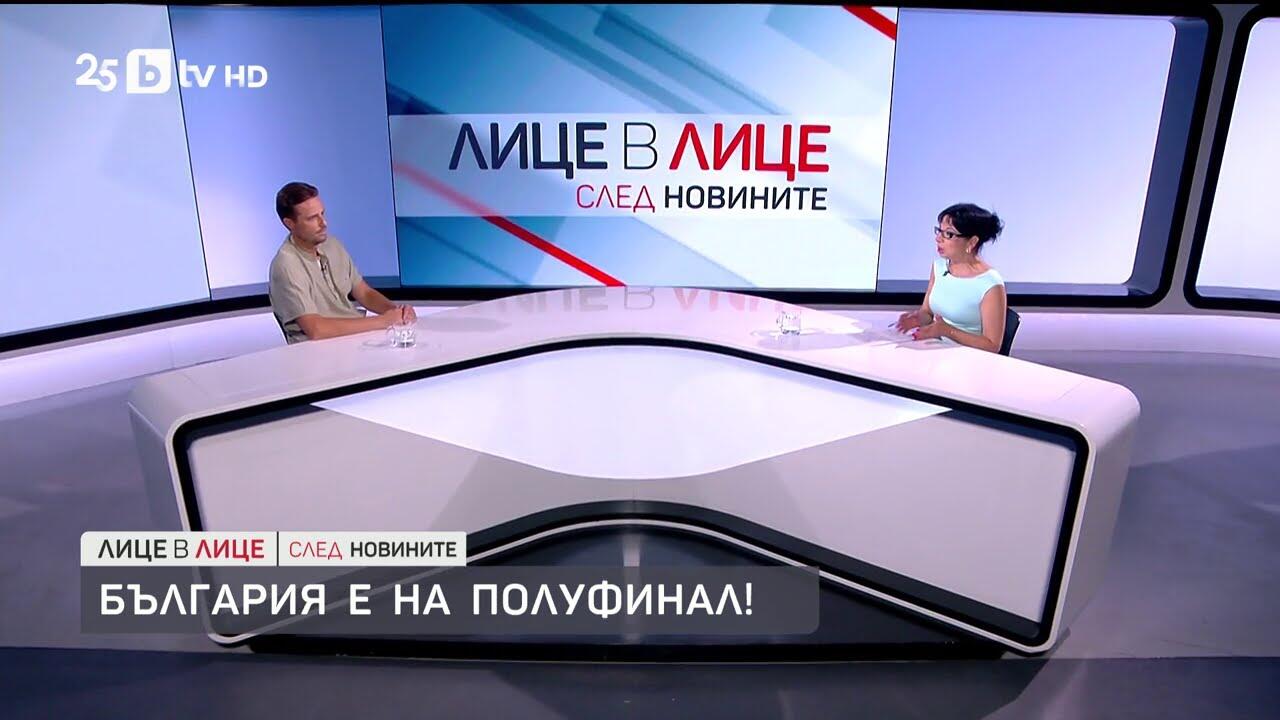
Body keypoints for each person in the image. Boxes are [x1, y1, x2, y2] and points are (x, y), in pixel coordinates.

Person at [268, 182, 416, 344]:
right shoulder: (286, 265)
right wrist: (383, 321)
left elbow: (364, 293)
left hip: (354, 340)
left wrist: (396, 312)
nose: (323, 223)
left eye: (322, 214)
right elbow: (316, 329)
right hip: (318, 350)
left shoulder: (332, 245)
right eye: (312, 218)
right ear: (290, 223)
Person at [893, 203, 1007, 353]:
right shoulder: (939, 268)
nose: (938, 238)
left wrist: (947, 331)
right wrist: (917, 318)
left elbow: (992, 345)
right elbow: (927, 313)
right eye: (939, 231)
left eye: (948, 234)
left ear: (972, 242)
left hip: (970, 358)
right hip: (936, 351)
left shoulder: (990, 284)